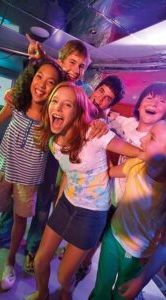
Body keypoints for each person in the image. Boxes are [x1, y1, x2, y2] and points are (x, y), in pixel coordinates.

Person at [0, 37, 102, 274]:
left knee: (42, 203)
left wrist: (99, 120)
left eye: (82, 66)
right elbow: (29, 89)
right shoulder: (51, 79)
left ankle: (33, 248)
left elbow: (91, 112)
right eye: (72, 62)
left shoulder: (81, 90)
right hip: (31, 146)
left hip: (55, 155)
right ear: (61, 61)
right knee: (15, 193)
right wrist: (13, 92)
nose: (76, 70)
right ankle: (4, 233)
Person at [25, 81, 142, 300]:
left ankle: (66, 293)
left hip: (91, 213)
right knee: (40, 261)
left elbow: (140, 154)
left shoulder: (97, 130)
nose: (58, 109)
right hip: (68, 204)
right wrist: (59, 202)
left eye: (67, 105)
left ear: (78, 109)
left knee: (63, 278)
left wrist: (116, 170)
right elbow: (69, 174)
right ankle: (42, 294)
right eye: (55, 102)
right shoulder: (53, 142)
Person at [0, 59, 65, 290]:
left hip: (28, 180)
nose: (41, 84)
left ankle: (10, 262)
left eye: (51, 82)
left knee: (20, 221)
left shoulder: (53, 119)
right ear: (32, 77)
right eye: (39, 76)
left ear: (56, 90)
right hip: (2, 170)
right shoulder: (16, 102)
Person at [75, 81, 166, 284]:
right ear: (140, 102)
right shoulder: (128, 124)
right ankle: (85, 261)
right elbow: (108, 117)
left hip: (135, 207)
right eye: (149, 97)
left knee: (117, 247)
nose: (154, 102)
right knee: (101, 234)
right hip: (113, 193)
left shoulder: (159, 142)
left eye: (162, 101)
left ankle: (101, 268)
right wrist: (102, 122)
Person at [89, 119, 166, 300]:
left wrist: (141, 281)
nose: (142, 140)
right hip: (112, 237)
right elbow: (108, 172)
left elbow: (164, 245)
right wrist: (101, 144)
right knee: (101, 286)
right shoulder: (136, 165)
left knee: (122, 294)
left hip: (137, 254)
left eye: (152, 137)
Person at [119, 229, 166, 300]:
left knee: (135, 272)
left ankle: (134, 291)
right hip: (134, 244)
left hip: (147, 248)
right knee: (127, 271)